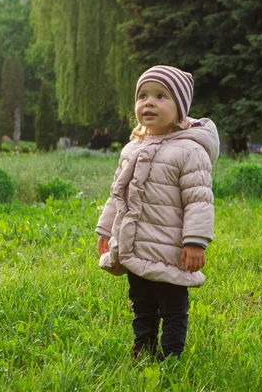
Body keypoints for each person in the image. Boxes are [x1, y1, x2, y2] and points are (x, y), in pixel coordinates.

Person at [95, 65, 219, 361]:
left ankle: (172, 354)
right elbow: (117, 194)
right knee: (141, 302)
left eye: (161, 96)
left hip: (170, 248)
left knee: (172, 305)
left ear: (180, 109)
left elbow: (199, 200)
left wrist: (195, 241)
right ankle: (144, 347)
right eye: (143, 96)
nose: (149, 102)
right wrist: (106, 229)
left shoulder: (190, 151)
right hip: (135, 244)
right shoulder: (132, 149)